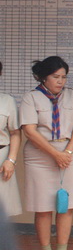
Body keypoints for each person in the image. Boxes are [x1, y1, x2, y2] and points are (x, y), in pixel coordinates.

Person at [20, 56, 73, 250]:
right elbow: (30, 131)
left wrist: (66, 152)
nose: (60, 81)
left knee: (65, 205)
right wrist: (55, 154)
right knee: (42, 207)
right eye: (55, 77)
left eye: (63, 77)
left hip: (69, 155)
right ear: (43, 77)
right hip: (40, 157)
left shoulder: (71, 96)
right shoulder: (31, 98)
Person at [0, 61, 22, 218]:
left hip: (1, 157)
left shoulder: (7, 101)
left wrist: (11, 160)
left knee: (2, 210)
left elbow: (15, 132)